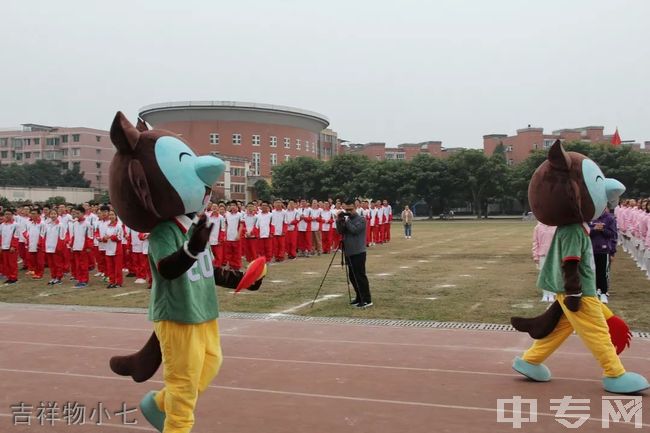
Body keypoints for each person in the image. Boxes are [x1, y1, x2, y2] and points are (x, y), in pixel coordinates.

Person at [336, 199, 372, 308]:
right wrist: (339, 220)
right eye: (346, 210)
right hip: (349, 251)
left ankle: (367, 299)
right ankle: (359, 296)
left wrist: (346, 221)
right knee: (352, 276)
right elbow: (340, 231)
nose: (348, 212)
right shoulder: (346, 219)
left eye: (350, 209)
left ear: (355, 208)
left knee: (360, 276)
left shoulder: (361, 219)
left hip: (359, 252)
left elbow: (354, 230)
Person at [589, 207, 618, 303]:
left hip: (603, 250)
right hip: (590, 249)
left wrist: (603, 230)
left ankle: (604, 293)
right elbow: (585, 232)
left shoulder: (609, 218)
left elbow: (613, 234)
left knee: (602, 272)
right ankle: (594, 291)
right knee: (591, 272)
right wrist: (594, 229)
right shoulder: (589, 217)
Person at [532, 221, 557, 302]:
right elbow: (535, 242)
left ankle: (552, 293)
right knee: (543, 275)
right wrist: (535, 256)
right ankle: (545, 294)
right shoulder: (538, 227)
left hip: (554, 254)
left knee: (553, 274)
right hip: (542, 254)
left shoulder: (557, 226)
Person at [70, 205, 94, 288]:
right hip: (76, 247)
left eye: (78, 213)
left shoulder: (87, 224)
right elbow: (73, 236)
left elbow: (90, 236)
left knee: (84, 265)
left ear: (83, 213)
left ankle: (84, 280)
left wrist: (88, 247)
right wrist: (72, 245)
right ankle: (79, 279)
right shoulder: (75, 223)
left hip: (83, 248)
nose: (77, 215)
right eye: (76, 213)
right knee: (78, 265)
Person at [103, 210, 124, 288]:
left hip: (116, 250)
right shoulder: (107, 226)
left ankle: (118, 282)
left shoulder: (118, 226)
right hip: (108, 249)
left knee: (117, 267)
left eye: (112, 215)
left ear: (116, 216)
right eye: (110, 215)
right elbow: (104, 237)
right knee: (110, 267)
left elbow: (119, 237)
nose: (111, 216)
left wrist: (110, 237)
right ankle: (112, 281)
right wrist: (104, 238)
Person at [1, 209, 20, 284]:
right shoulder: (2, 225)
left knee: (12, 263)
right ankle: (9, 277)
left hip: (11, 248)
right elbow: (1, 236)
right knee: (6, 263)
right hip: (4, 247)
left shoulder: (16, 225)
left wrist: (13, 246)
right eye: (6, 214)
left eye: (9, 214)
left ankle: (14, 277)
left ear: (12, 215)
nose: (7, 216)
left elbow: (16, 236)